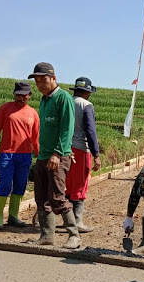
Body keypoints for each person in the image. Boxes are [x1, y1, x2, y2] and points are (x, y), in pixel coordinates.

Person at [27, 62, 80, 249]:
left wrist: (57, 153)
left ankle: (74, 235)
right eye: (37, 81)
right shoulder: (44, 100)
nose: (40, 84)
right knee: (41, 198)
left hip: (58, 156)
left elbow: (67, 129)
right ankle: (47, 235)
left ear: (54, 78)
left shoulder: (63, 98)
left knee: (57, 197)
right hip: (43, 156)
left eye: (44, 80)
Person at [0, 81, 40, 230]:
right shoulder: (5, 108)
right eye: (18, 95)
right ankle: (0, 217)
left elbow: (36, 137)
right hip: (7, 154)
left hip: (25, 155)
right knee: (5, 184)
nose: (21, 98)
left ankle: (14, 216)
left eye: (24, 96)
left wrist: (39, 155)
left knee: (21, 185)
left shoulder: (33, 113)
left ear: (29, 95)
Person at [66, 77, 101, 233]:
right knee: (80, 185)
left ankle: (67, 219)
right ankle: (77, 222)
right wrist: (96, 154)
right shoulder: (86, 105)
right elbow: (91, 131)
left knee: (65, 183)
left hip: (64, 149)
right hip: (80, 149)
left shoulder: (66, 102)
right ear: (87, 92)